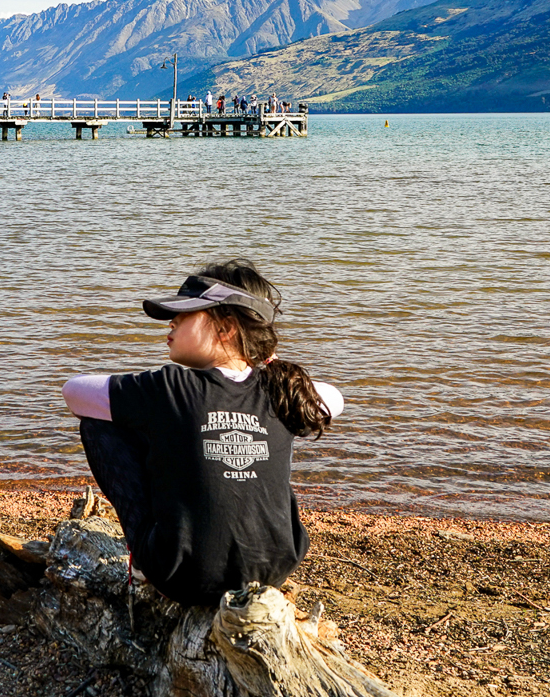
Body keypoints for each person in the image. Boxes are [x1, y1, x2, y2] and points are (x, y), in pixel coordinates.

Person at [61, 259, 345, 609]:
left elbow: (73, 392)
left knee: (98, 424)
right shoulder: (279, 391)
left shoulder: (169, 388)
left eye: (185, 314)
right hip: (274, 568)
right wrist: (270, 365)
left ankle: (144, 563)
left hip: (183, 577)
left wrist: (152, 421)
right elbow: (333, 400)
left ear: (225, 328)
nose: (172, 322)